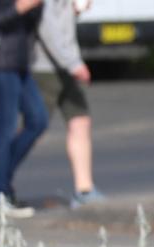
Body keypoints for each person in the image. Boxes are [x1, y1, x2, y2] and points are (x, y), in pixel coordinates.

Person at [0, 0, 46, 218]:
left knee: (38, 119)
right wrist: (19, 8)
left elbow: (33, 23)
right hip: (0, 63)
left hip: (21, 64)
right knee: (5, 131)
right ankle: (0, 196)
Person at [34, 0, 101, 207]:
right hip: (45, 67)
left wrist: (76, 8)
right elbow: (47, 27)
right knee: (31, 129)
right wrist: (73, 63)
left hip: (64, 66)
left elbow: (61, 21)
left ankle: (84, 189)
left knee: (80, 120)